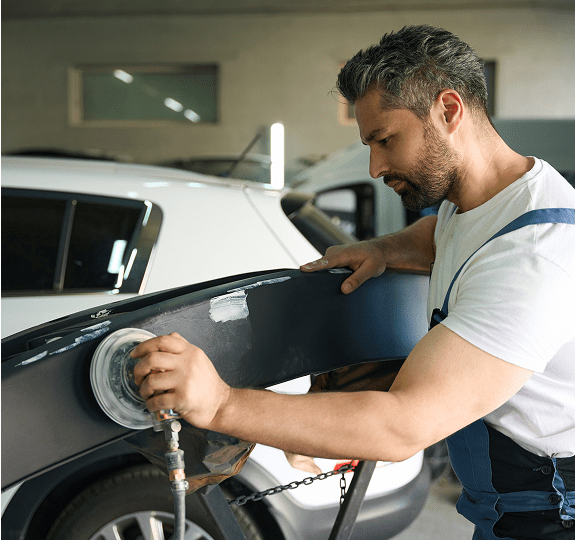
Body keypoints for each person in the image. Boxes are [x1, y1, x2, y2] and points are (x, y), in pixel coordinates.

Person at [131, 25, 575, 539]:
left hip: (552, 516)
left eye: (385, 140)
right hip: (502, 510)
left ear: (449, 111)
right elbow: (444, 235)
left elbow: (403, 424)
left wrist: (220, 403)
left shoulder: (535, 255)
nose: (375, 166)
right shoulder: (484, 201)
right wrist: (385, 249)